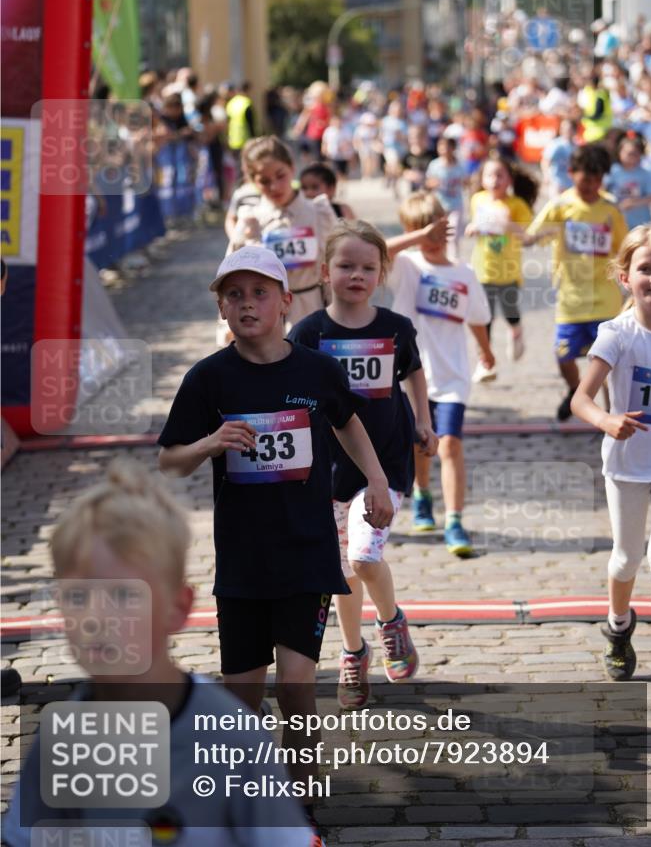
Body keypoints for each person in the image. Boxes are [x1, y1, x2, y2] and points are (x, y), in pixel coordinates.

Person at [159, 245, 393, 844]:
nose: (246, 303)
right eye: (233, 294)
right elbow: (168, 460)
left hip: (306, 554)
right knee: (240, 706)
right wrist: (210, 442)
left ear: (286, 301)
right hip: (241, 562)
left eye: (259, 292)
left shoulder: (315, 370)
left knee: (296, 693)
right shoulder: (208, 378)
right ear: (220, 307)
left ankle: (301, 813)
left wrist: (376, 480)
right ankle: (239, 813)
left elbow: (347, 421)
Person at [3, 458, 313, 847]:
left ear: (178, 607)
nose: (96, 618)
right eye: (78, 596)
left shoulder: (231, 737)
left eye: (123, 595)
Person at [289, 221, 438, 709]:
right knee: (341, 574)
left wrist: (424, 421)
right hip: (327, 471)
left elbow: (414, 372)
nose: (357, 275)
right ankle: (353, 655)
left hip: (387, 462)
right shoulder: (310, 333)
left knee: (364, 556)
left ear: (382, 272)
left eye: (368, 267)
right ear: (324, 271)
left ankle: (392, 622)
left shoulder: (396, 328)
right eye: (346, 265)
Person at [571, 225, 651, 700]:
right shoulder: (618, 334)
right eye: (646, 268)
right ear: (625, 277)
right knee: (627, 558)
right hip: (628, 462)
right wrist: (606, 419)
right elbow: (580, 399)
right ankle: (618, 624)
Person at [386, 194, 494, 554]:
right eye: (421, 228)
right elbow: (377, 251)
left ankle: (455, 520)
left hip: (452, 377)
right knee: (421, 442)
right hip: (410, 375)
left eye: (437, 226)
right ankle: (422, 493)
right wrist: (418, 237)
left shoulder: (463, 273)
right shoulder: (406, 265)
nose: (432, 234)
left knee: (449, 444)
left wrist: (486, 349)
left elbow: (477, 317)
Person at [525, 143, 628, 421]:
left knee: (609, 363)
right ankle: (574, 390)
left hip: (606, 300)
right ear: (571, 173)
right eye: (585, 181)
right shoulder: (560, 206)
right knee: (563, 355)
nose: (591, 187)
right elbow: (532, 235)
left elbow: (624, 249)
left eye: (597, 181)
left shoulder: (610, 209)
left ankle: (610, 413)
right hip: (570, 299)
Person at [224, 137, 336, 331]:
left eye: (280, 175)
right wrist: (228, 329)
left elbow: (335, 269)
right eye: (264, 181)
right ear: (252, 181)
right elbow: (230, 280)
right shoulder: (250, 220)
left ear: (292, 168)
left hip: (314, 314)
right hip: (264, 322)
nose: (274, 186)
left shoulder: (319, 213)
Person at [466, 154, 538, 377]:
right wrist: (472, 227)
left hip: (508, 271)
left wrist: (509, 224)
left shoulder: (517, 205)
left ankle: (516, 330)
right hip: (482, 270)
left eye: (500, 175)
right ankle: (485, 361)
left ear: (510, 180)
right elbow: (476, 223)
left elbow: (528, 237)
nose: (494, 179)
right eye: (490, 175)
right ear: (483, 178)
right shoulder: (477, 199)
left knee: (510, 312)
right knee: (483, 317)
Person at [604, 133, 651, 231]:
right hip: (617, 222)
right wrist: (616, 205)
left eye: (635, 153)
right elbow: (602, 192)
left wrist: (635, 203)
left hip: (641, 224)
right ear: (620, 152)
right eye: (628, 153)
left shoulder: (645, 174)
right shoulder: (612, 171)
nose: (632, 156)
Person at [424, 136, 467, 262]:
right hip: (440, 205)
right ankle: (440, 257)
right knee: (439, 234)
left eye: (447, 147)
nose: (443, 150)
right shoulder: (435, 165)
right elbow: (428, 182)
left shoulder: (459, 165)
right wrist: (433, 183)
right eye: (441, 147)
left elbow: (466, 182)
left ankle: (454, 259)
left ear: (453, 149)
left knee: (453, 235)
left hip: (456, 204)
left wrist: (464, 182)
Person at [541, 118, 578, 199]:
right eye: (563, 128)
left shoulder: (577, 146)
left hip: (571, 184)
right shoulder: (555, 144)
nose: (565, 131)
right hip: (557, 182)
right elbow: (546, 161)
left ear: (574, 130)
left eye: (568, 129)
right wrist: (546, 176)